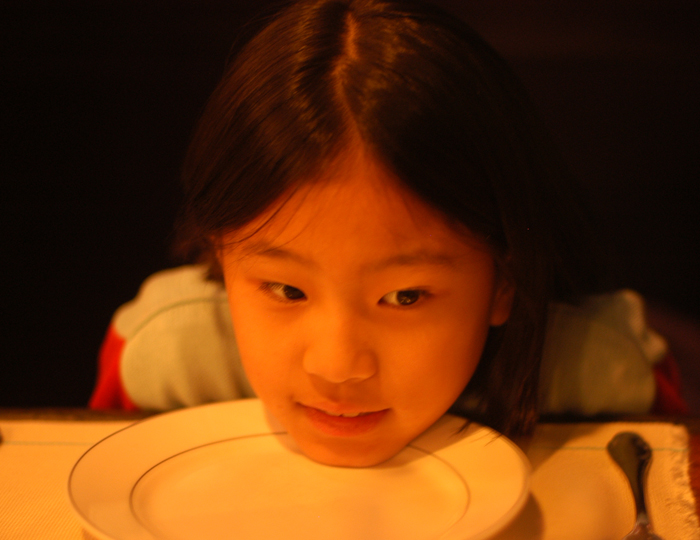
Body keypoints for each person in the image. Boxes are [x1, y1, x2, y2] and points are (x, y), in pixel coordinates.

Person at [89, 0, 686, 466]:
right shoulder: (168, 359)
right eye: (287, 290)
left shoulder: (600, 371)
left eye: (404, 297)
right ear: (221, 249)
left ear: (505, 278)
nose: (337, 365)